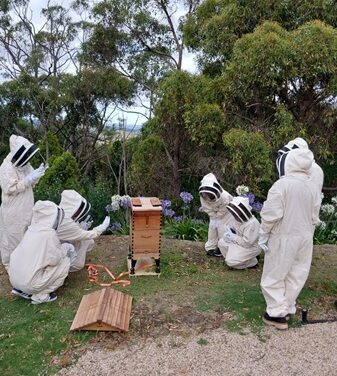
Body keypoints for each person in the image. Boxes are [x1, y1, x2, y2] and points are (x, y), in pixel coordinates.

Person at [259, 148, 321, 330]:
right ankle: (285, 307)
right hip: (305, 238)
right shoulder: (312, 186)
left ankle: (276, 315)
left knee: (274, 274)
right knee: (296, 274)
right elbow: (314, 216)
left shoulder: (282, 185)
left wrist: (263, 232)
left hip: (284, 236)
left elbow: (271, 213)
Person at [8, 200, 73, 304]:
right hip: (29, 283)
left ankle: (22, 290)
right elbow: (55, 259)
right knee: (65, 263)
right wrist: (65, 249)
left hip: (14, 279)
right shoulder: (48, 234)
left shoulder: (31, 230)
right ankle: (41, 296)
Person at [0, 135, 46, 270]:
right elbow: (10, 188)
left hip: (26, 207)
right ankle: (13, 269)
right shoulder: (5, 167)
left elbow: (31, 181)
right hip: (12, 211)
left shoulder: (25, 164)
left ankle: (25, 267)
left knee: (26, 236)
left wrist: (38, 173)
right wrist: (29, 179)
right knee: (13, 240)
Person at [57, 190, 111, 272]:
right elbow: (85, 234)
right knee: (79, 264)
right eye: (79, 207)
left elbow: (72, 232)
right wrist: (101, 228)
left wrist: (81, 226)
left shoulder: (63, 215)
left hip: (63, 244)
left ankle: (70, 257)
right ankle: (62, 268)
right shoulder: (65, 222)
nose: (79, 211)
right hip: (55, 251)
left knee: (89, 242)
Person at [218, 196, 260, 269]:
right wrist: (228, 235)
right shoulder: (237, 219)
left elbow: (247, 243)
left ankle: (252, 262)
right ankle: (238, 260)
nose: (235, 213)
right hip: (239, 243)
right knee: (221, 242)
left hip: (251, 247)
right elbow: (234, 230)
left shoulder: (252, 223)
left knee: (231, 261)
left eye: (237, 210)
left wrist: (234, 237)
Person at [199, 173, 234, 257]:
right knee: (212, 230)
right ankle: (211, 247)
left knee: (222, 230)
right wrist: (213, 215)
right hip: (213, 214)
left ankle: (222, 248)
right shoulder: (203, 195)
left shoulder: (225, 196)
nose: (208, 194)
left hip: (226, 214)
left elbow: (225, 208)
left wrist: (217, 215)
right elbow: (206, 207)